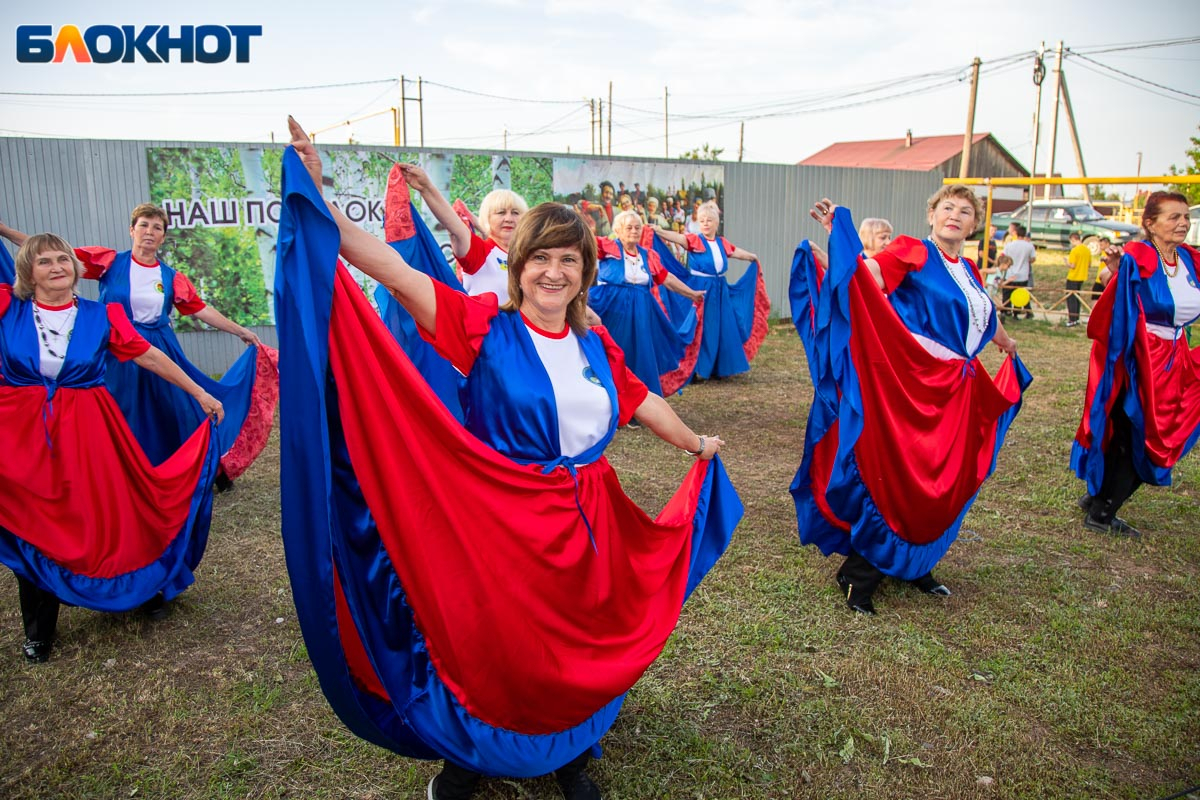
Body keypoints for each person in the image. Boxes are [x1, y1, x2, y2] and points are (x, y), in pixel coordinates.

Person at [279, 118, 741, 800]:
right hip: (504, 517)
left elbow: (641, 402)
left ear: (585, 272)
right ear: (520, 265)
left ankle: (571, 751)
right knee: (497, 640)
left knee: (581, 638)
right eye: (540, 259)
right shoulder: (482, 325)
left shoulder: (596, 345)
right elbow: (399, 274)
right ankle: (470, 754)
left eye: (569, 260)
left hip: (589, 516)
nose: (553, 272)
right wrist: (316, 201)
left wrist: (697, 445)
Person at [791, 187, 1029, 615]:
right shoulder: (913, 251)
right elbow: (869, 280)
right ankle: (859, 575)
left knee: (947, 485)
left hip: (957, 390)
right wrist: (838, 237)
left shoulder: (970, 269)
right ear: (932, 215)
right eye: (947, 208)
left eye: (965, 211)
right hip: (914, 387)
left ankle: (917, 563)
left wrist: (1008, 344)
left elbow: (986, 316)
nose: (955, 215)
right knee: (904, 482)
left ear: (974, 224)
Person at [0, 234, 225, 662]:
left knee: (111, 511)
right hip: (22, 438)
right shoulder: (8, 309)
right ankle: (39, 629)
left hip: (88, 434)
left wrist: (200, 393)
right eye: (44, 261)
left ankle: (140, 588)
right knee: (33, 524)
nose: (57, 266)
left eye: (62, 258)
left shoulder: (103, 316)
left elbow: (151, 357)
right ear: (29, 273)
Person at [68, 204, 277, 487]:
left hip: (159, 347)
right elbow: (56, 257)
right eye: (144, 225)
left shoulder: (169, 277)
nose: (149, 232)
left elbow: (200, 309)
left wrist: (239, 330)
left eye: (157, 228)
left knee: (181, 407)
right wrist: (7, 233)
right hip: (117, 350)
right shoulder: (110, 262)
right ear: (132, 230)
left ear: (163, 237)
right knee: (120, 409)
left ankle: (210, 467)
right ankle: (124, 475)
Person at [1072, 191, 1200, 538]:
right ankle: (1102, 511)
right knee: (1137, 435)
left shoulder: (1190, 260)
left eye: (1185, 217)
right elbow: (1111, 283)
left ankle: (1098, 498)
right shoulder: (1140, 255)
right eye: (1173, 217)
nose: (1183, 223)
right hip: (1140, 359)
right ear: (1150, 224)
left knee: (1162, 433)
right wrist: (1114, 269)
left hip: (1176, 359)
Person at [590, 210, 705, 397]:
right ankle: (609, 400)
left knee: (640, 356)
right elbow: (581, 247)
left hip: (642, 312)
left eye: (638, 227)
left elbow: (666, 278)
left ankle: (637, 403)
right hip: (612, 308)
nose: (634, 231)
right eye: (629, 227)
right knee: (613, 352)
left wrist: (692, 294)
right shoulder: (607, 247)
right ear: (618, 230)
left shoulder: (648, 255)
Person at [651, 202, 769, 381]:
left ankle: (717, 366)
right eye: (702, 220)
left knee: (721, 326)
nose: (705, 223)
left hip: (720, 290)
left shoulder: (722, 243)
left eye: (709, 220)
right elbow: (678, 237)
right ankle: (697, 368)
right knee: (701, 328)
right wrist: (659, 231)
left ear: (716, 223)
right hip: (701, 289)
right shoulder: (695, 240)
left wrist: (752, 257)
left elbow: (736, 252)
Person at [452, 188, 529, 303]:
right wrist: (426, 187)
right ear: (487, 217)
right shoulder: (479, 250)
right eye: (501, 212)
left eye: (515, 213)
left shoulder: (529, 255)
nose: (509, 219)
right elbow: (452, 224)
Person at [1000, 224, 1036, 319]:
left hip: (1010, 273)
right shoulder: (1029, 246)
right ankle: (1016, 312)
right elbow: (1032, 259)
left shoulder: (1009, 245)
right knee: (1019, 294)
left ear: (1016, 233)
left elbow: (1003, 256)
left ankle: (1005, 310)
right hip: (1023, 274)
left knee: (1007, 293)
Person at [1065, 231, 1091, 327]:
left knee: (1071, 299)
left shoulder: (1075, 250)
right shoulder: (1087, 250)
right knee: (1077, 298)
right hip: (1082, 276)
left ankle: (1072, 319)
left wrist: (1066, 262)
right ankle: (1076, 318)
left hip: (1073, 277)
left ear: (1073, 240)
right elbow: (1089, 265)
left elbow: (1072, 265)